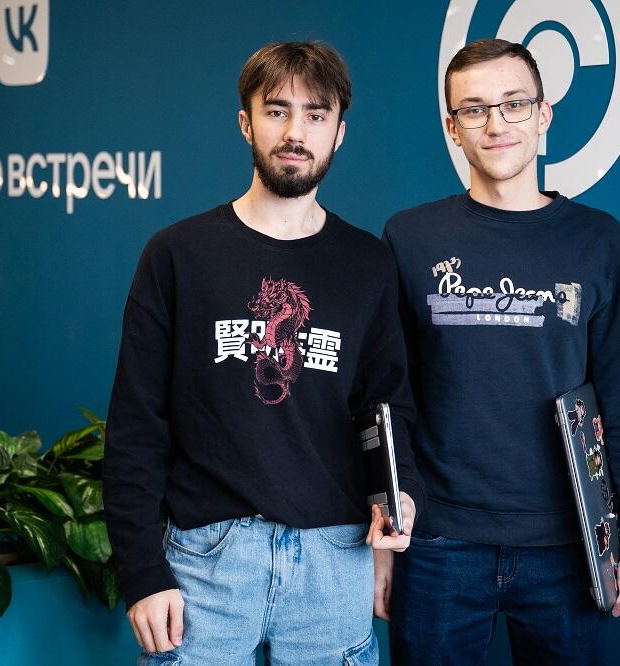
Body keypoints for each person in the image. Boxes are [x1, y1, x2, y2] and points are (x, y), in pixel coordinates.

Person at [103, 41, 421, 666]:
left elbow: (386, 409)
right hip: (206, 566)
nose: (295, 132)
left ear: (339, 133)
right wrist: (141, 570)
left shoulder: (368, 264)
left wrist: (396, 494)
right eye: (277, 111)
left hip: (334, 561)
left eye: (315, 115)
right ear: (246, 123)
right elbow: (137, 425)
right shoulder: (177, 255)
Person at [377, 38, 620, 664]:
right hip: (439, 544)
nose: (496, 124)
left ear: (544, 115)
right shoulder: (409, 237)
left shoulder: (599, 242)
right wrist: (388, 530)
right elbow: (386, 398)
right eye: (474, 109)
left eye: (514, 104)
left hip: (569, 545)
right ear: (452, 127)